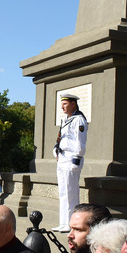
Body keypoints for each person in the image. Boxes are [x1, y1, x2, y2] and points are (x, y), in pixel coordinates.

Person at [52, 93, 88, 232]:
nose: (62, 107)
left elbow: (80, 142)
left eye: (65, 104)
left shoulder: (78, 120)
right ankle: (63, 222)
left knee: (70, 192)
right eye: (62, 104)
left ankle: (71, 223)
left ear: (73, 104)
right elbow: (63, 138)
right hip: (62, 157)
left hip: (71, 158)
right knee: (63, 192)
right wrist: (56, 148)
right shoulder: (67, 119)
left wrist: (76, 159)